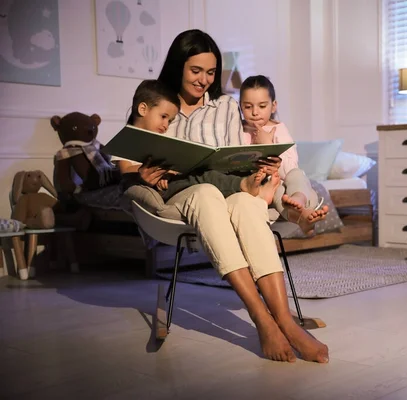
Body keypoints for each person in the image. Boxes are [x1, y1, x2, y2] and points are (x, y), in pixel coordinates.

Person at [148, 29, 328, 363]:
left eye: (211, 72)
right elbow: (139, 154)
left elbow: (241, 153)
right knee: (204, 194)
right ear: (179, 66)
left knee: (246, 203)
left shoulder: (228, 107)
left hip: (227, 185)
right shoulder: (160, 104)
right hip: (185, 192)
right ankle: (262, 319)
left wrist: (262, 162)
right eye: (195, 70)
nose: (204, 80)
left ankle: (286, 322)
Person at [115, 79, 279, 204]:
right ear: (143, 109)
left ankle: (256, 183)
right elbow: (126, 171)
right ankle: (245, 186)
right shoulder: (127, 139)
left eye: (170, 120)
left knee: (204, 174)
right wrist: (161, 170)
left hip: (171, 179)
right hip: (160, 188)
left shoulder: (160, 138)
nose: (166, 125)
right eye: (164, 117)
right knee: (201, 176)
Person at [239, 75, 329, 235]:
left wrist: (270, 146)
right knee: (286, 193)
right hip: (259, 186)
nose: (254, 112)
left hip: (281, 182)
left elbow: (290, 167)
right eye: (247, 107)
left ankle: (298, 200)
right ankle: (302, 216)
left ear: (273, 106)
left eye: (262, 106)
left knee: (297, 176)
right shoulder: (239, 130)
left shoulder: (279, 129)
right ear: (240, 107)